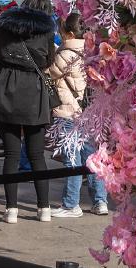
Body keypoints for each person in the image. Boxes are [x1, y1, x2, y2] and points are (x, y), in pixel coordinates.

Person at [0, 0, 57, 223]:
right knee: (37, 155)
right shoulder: (46, 32)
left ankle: (11, 209)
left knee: (12, 155)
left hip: (6, 92)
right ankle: (44, 209)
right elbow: (47, 62)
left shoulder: (6, 28)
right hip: (34, 93)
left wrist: (4, 22)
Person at [46, 12, 109, 219]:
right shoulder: (93, 53)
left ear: (69, 33)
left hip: (68, 112)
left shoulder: (65, 55)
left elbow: (50, 73)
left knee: (71, 159)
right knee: (92, 157)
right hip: (89, 113)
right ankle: (100, 201)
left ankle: (71, 204)